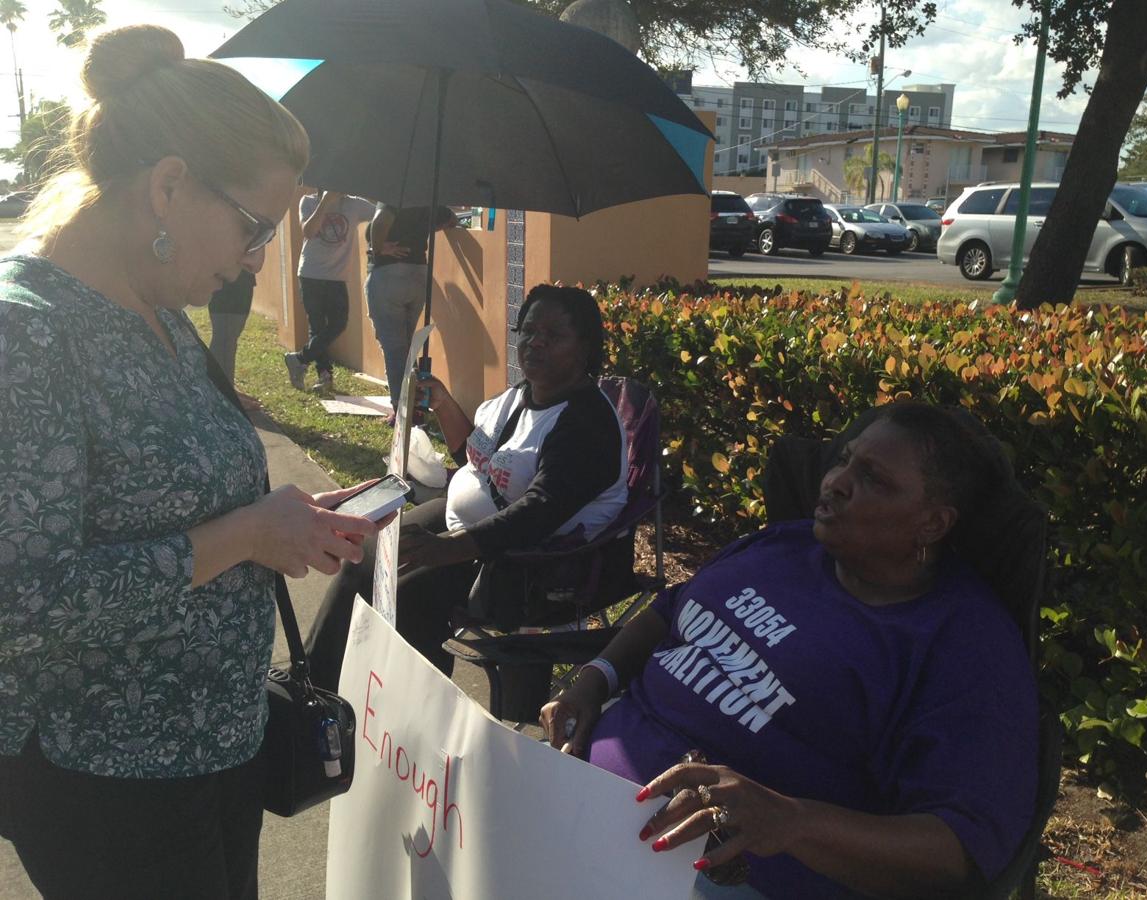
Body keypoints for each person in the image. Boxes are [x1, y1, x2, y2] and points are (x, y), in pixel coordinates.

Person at [0, 26, 384, 900]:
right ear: (168, 185)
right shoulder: (27, 334)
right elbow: (16, 601)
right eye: (254, 228)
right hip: (106, 780)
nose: (257, 258)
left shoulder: (162, 312)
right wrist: (244, 535)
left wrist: (286, 524)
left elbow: (184, 499)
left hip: (215, 747)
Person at [541, 402, 1039, 899]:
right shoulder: (785, 544)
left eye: (873, 479)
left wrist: (791, 820)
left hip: (719, 876)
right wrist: (594, 681)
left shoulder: (964, 646)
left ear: (932, 523)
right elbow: (671, 610)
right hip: (577, 797)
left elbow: (959, 851)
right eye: (843, 460)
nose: (836, 482)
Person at [305, 284, 629, 686]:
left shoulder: (586, 424)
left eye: (553, 335)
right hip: (466, 525)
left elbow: (539, 512)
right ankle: (311, 682)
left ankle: (408, 709)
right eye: (529, 330)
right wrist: (442, 402)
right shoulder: (521, 396)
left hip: (528, 562)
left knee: (405, 591)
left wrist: (445, 550)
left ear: (585, 348)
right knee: (366, 551)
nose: (535, 342)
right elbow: (476, 459)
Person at [364, 203, 457, 421]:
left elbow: (382, 218)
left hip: (389, 275)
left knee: (395, 347)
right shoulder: (427, 198)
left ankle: (402, 410)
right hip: (418, 274)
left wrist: (378, 248)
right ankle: (414, 403)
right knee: (407, 346)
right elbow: (451, 219)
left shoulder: (396, 192)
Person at [283, 188, 375, 393]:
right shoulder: (308, 201)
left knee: (338, 324)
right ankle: (325, 376)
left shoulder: (354, 204)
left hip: (337, 277)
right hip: (311, 274)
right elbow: (308, 231)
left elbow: (381, 213)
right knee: (317, 326)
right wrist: (325, 202)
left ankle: (299, 359)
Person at [208, 268, 255, 383]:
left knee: (229, 339)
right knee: (222, 338)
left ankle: (226, 385)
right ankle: (219, 384)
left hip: (242, 282)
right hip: (222, 283)